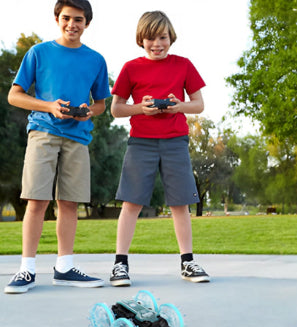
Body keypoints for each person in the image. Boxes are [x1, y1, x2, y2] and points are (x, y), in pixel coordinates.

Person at [4, 0, 111, 294]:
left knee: (70, 203)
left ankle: (64, 268)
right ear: (56, 19)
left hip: (78, 137)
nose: (72, 25)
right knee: (37, 200)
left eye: (78, 19)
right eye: (66, 18)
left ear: (87, 23)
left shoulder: (96, 60)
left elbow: (101, 104)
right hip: (43, 132)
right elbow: (15, 96)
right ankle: (26, 270)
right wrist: (49, 106)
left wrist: (89, 110)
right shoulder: (38, 53)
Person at [109, 10, 210, 286]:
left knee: (181, 203)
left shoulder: (184, 65)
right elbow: (116, 109)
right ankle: (120, 264)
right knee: (132, 202)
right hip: (141, 142)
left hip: (176, 141)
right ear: (141, 39)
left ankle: (187, 262)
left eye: (163, 37)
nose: (157, 44)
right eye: (151, 38)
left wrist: (179, 105)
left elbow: (199, 104)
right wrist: (140, 109)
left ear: (171, 37)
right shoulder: (131, 68)